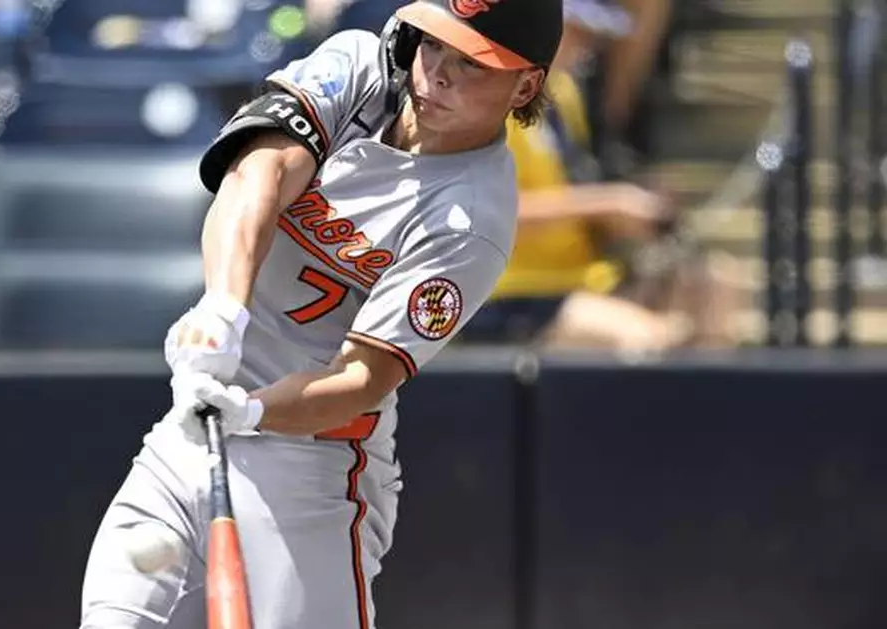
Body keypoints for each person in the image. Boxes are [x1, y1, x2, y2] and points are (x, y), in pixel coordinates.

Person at [77, 0, 563, 627]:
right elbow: (259, 173)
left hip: (311, 469)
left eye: (471, 63)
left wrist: (252, 411)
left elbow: (361, 379)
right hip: (195, 415)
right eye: (433, 44)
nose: (437, 73)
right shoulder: (358, 66)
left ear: (524, 85)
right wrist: (224, 309)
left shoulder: (471, 220)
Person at [464, 0, 741, 351]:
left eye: (592, 36)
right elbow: (485, 214)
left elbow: (575, 189)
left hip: (581, 279)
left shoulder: (564, 95)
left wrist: (635, 207)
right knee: (646, 338)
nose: (587, 48)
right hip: (512, 294)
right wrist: (608, 204)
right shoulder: (490, 103)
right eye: (577, 33)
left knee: (714, 284)